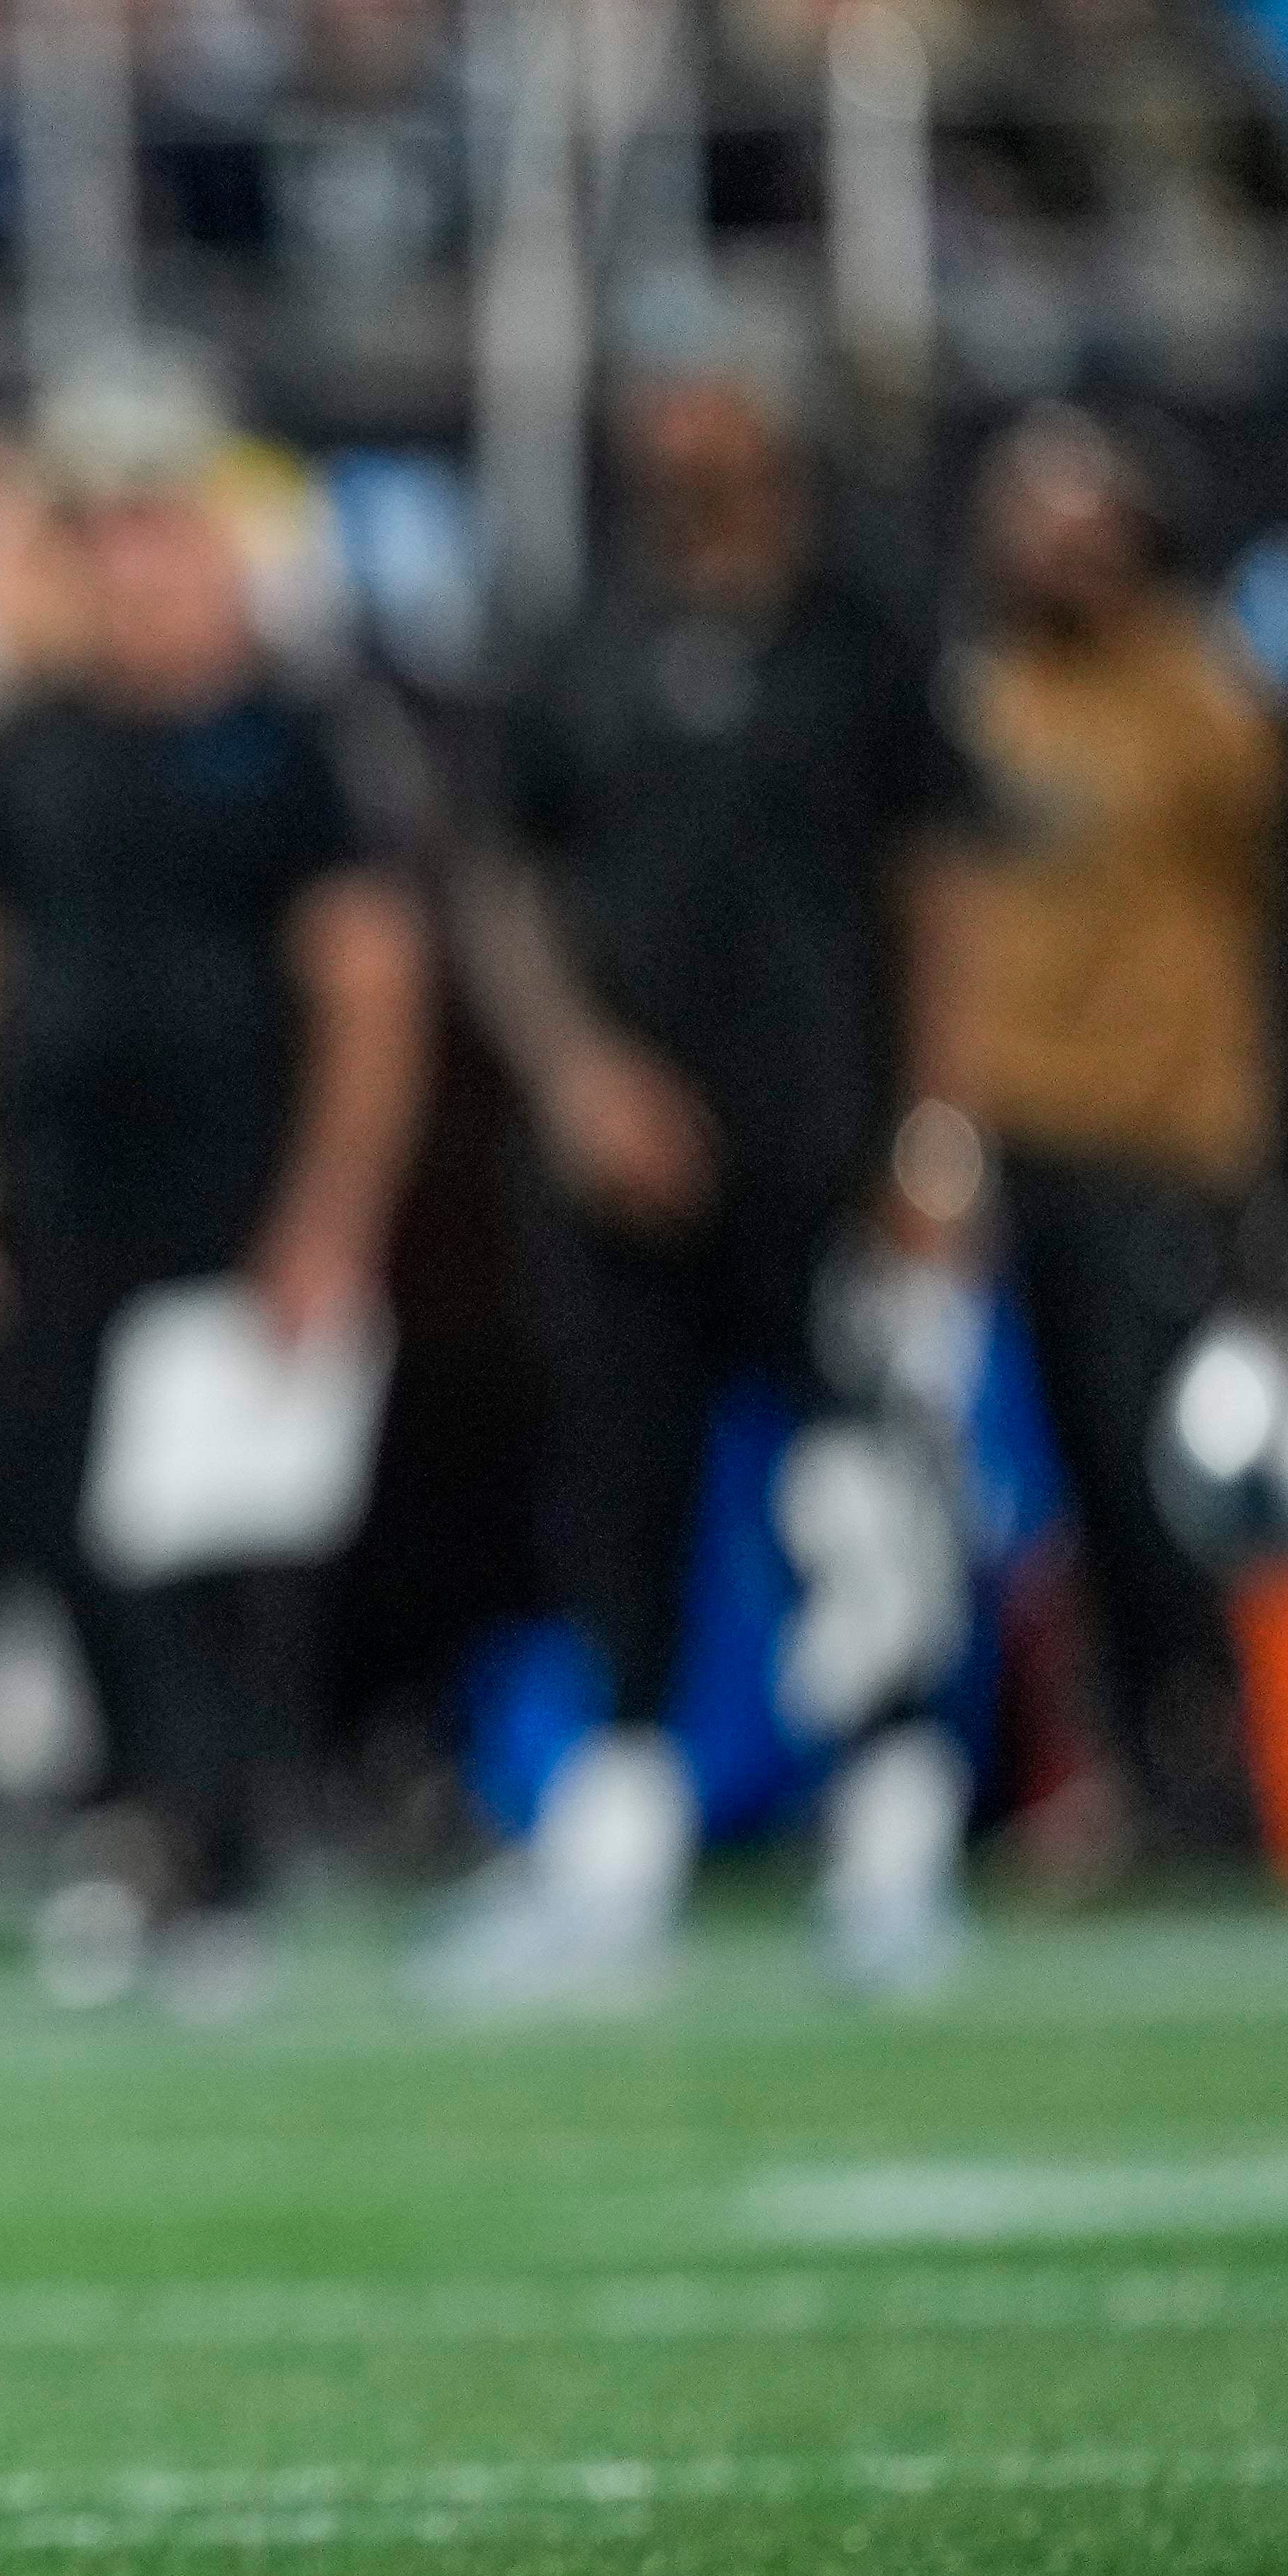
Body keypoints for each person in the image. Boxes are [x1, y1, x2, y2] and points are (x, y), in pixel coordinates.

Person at [0, 351, 429, 2010]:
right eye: (98, 538)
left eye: (153, 533)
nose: (127, 571)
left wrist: (327, 1225)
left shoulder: (295, 745)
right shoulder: (24, 748)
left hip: (224, 1219)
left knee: (201, 1569)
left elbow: (368, 995)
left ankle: (208, 1868)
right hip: (38, 1211)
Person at [445, 338, 976, 1998]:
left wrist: (936, 1134)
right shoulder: (579, 636)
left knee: (857, 1492)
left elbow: (944, 889)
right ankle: (615, 1833)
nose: (684, 429)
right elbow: (500, 879)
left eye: (714, 394)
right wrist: (580, 1075)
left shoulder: (859, 629)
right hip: (622, 1157)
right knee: (617, 1487)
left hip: (827, 1139)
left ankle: (893, 1829)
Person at [934, 406, 1284, 1863]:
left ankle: (1232, 1764)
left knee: (1176, 1488)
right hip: (1009, 1126)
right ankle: (1113, 1769)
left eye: (1091, 523)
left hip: (1161, 1132)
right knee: (1048, 1492)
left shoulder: (1197, 689)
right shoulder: (974, 699)